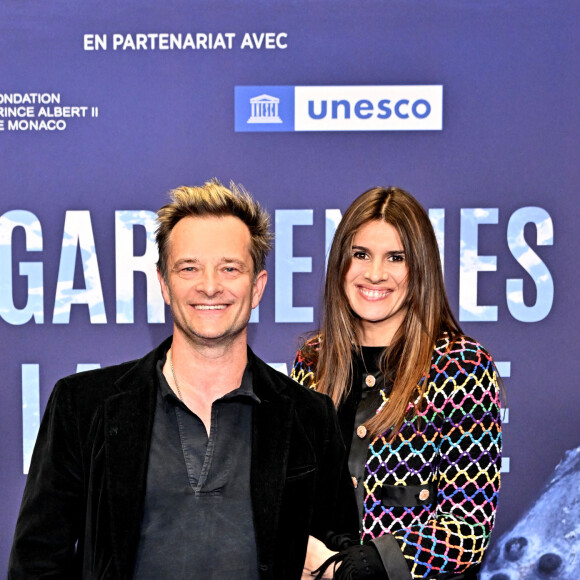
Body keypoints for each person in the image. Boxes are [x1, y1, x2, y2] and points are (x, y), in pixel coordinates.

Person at [8, 179, 358, 579]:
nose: (209, 286)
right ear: (164, 284)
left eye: (230, 268)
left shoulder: (309, 418)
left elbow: (338, 558)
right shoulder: (82, 406)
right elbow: (36, 562)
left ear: (258, 286)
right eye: (189, 268)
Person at [292, 186, 502, 579]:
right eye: (360, 255)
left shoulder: (461, 367)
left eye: (396, 257)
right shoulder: (314, 360)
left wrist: (355, 568)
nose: (374, 273)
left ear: (419, 267)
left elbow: (468, 529)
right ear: (340, 263)